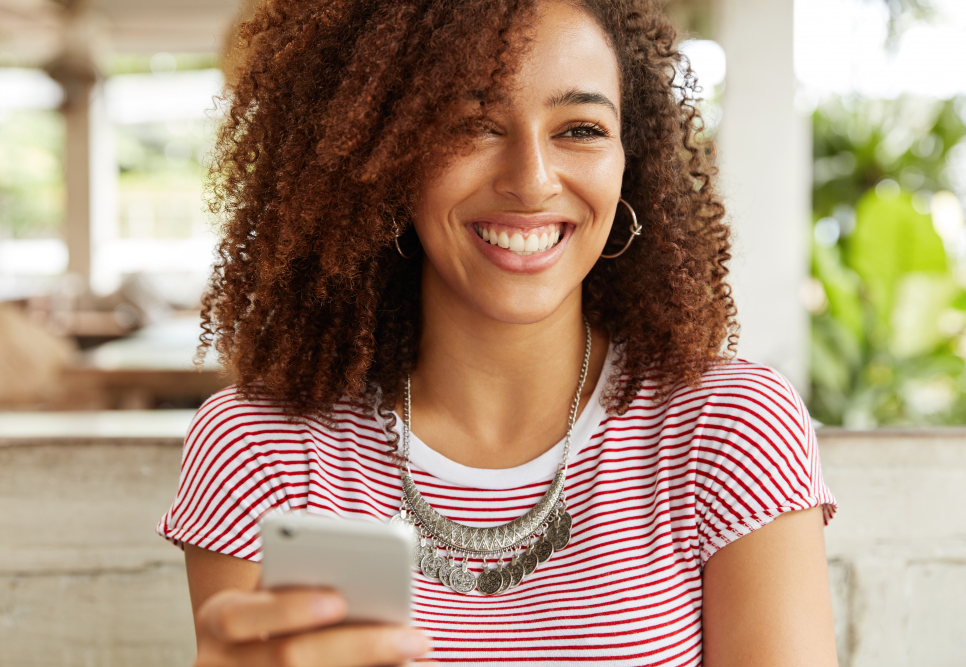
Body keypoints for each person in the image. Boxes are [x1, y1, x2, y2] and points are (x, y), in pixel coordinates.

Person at [158, 0, 840, 664]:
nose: (532, 180)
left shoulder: (732, 429)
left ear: (633, 159)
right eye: (474, 123)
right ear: (386, 153)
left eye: (580, 129)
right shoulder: (262, 445)